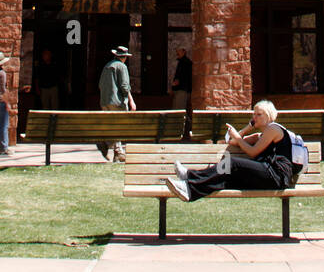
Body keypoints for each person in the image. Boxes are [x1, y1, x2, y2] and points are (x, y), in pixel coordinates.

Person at [165, 100, 299, 202]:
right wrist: (247, 128)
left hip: (276, 176)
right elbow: (232, 142)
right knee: (227, 177)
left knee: (231, 163)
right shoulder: (260, 135)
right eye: (254, 114)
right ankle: (189, 183)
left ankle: (189, 183)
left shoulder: (274, 130)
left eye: (259, 115)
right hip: (267, 175)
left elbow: (252, 152)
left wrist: (237, 137)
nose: (255, 117)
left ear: (269, 116)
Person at [97, 45, 135, 161]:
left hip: (105, 101)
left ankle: (112, 147)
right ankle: (113, 148)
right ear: (124, 57)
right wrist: (131, 101)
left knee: (111, 126)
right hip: (117, 102)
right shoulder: (122, 67)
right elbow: (125, 86)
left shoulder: (107, 66)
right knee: (118, 126)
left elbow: (100, 85)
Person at [171, 47, 192, 111]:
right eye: (177, 51)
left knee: (178, 109)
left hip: (182, 89)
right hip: (180, 89)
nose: (177, 53)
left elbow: (184, 77)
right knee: (176, 108)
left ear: (184, 52)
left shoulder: (185, 62)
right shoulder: (182, 62)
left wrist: (177, 82)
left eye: (179, 51)